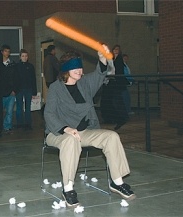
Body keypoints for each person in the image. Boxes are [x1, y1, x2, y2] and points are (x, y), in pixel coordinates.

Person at [44, 48, 136, 207]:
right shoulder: (55, 88)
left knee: (111, 136)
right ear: (66, 70)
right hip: (58, 133)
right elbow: (49, 114)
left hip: (84, 132)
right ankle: (68, 189)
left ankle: (117, 182)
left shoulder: (84, 83)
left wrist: (102, 59)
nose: (80, 71)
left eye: (80, 67)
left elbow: (99, 75)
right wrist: (66, 128)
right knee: (70, 141)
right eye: (76, 68)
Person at [100, 45, 129, 130]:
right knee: (109, 101)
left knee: (115, 101)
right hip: (109, 81)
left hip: (115, 82)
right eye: (115, 49)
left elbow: (117, 71)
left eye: (117, 49)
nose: (116, 51)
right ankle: (110, 118)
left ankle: (120, 118)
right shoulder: (111, 59)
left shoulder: (118, 60)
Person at [15, 49, 37, 130]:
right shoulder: (17, 66)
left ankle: (28, 124)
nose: (24, 57)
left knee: (28, 107)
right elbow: (15, 79)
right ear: (20, 57)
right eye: (23, 56)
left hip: (28, 89)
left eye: (26, 56)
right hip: (19, 89)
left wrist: (34, 91)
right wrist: (15, 89)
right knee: (19, 107)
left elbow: (33, 79)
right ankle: (19, 124)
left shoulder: (30, 66)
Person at [1, 44, 17, 133]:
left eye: (8, 51)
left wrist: (14, 90)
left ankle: (7, 126)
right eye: (5, 51)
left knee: (9, 111)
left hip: (11, 91)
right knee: (0, 111)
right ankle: (0, 126)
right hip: (1, 92)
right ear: (2, 52)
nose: (7, 53)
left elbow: (16, 78)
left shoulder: (12, 65)